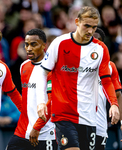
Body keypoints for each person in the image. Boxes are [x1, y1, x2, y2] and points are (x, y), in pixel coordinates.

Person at [36, 6, 120, 150]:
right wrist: (41, 102)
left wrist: (114, 104)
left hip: (88, 116)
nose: (90, 31)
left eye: (93, 27)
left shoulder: (100, 49)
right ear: (77, 22)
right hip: (64, 114)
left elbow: (106, 80)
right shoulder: (60, 43)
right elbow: (42, 73)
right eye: (86, 26)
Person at [7, 28, 57, 150]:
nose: (29, 48)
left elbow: (52, 102)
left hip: (45, 133)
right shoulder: (24, 66)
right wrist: (24, 113)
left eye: (33, 44)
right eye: (27, 44)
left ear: (44, 45)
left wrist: (37, 127)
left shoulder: (53, 69)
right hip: (22, 131)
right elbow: (25, 98)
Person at [93, 27, 122, 150]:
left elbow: (118, 94)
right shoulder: (76, 64)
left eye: (97, 40)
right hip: (77, 122)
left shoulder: (110, 67)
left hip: (100, 124)